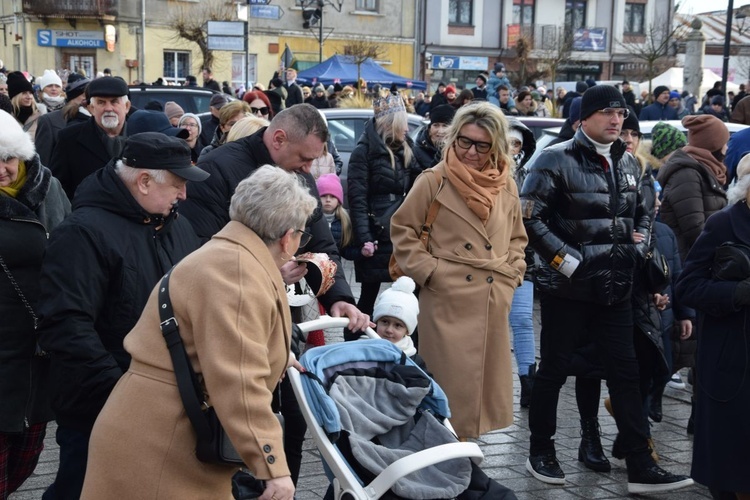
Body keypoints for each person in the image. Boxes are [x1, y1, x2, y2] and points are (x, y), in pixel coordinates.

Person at [80, 165, 313, 500]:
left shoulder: (230, 256)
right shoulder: (236, 273)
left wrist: (279, 355)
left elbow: (225, 343)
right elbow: (238, 378)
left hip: (161, 431)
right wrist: (273, 465)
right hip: (161, 444)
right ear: (288, 236)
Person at [179, 104, 369, 485]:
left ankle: (286, 488)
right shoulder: (218, 168)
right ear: (278, 139)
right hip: (233, 322)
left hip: (291, 321)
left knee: (295, 423)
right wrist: (264, 269)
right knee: (237, 428)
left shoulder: (300, 173)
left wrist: (338, 297)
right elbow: (198, 252)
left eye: (313, 161)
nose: (307, 169)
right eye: (303, 159)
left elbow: (324, 246)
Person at [520, 85, 694, 493]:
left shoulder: (631, 164)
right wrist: (567, 261)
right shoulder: (554, 159)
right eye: (608, 113)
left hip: (618, 286)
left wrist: (641, 244)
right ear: (585, 118)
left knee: (625, 374)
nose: (617, 120)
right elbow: (529, 217)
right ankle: (540, 451)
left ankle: (639, 464)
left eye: (621, 113)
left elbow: (645, 214)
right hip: (569, 290)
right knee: (554, 371)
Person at [36, 133, 208, 500]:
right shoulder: (82, 233)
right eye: (178, 184)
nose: (184, 195)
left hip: (164, 405)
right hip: (98, 410)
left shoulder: (177, 226)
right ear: (144, 182)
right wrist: (122, 396)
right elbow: (66, 326)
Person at [391, 102, 527, 439]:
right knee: (446, 389)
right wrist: (432, 272)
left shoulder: (506, 184)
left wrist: (513, 274)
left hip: (491, 296)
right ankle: (447, 448)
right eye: (463, 141)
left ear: (495, 145)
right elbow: (402, 230)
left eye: (481, 145)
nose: (469, 151)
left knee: (479, 390)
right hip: (447, 298)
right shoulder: (433, 180)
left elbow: (517, 236)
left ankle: (467, 449)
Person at [0, 110, 70, 499]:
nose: (3, 169)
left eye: (8, 158)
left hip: (39, 345)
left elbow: (69, 243)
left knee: (28, 456)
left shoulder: (48, 188)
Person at [674, 156, 750, 500]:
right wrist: (736, 292)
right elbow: (687, 287)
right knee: (729, 467)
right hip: (731, 360)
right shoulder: (723, 224)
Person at [347, 94, 418, 337]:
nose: (407, 128)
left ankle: (406, 347)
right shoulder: (363, 152)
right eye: (403, 122)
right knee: (368, 296)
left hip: (401, 230)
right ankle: (353, 343)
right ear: (390, 124)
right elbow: (357, 200)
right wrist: (365, 238)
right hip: (376, 233)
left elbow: (425, 176)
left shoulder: (406, 147)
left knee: (410, 291)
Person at [657, 115, 729, 261]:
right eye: (725, 142)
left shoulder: (705, 169)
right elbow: (695, 229)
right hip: (691, 262)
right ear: (713, 145)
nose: (727, 147)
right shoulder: (687, 174)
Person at [48, 76, 130, 200]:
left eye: (114, 102)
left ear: (127, 106)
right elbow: (58, 189)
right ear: (91, 108)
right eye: (101, 102)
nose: (108, 108)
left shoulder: (143, 136)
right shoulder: (69, 138)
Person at [506, 116, 537, 408]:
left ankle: (529, 381)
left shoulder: (530, 176)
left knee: (523, 320)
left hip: (524, 258)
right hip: (488, 261)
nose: (512, 148)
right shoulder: (484, 174)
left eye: (517, 144)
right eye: (508, 142)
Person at [34, 74, 90, 166]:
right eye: (85, 95)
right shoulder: (49, 120)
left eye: (57, 86)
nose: (89, 99)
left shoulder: (94, 118)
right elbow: (42, 160)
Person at [316, 173, 358, 261]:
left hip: (334, 267)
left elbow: (345, 251)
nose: (328, 200)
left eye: (332, 196)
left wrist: (361, 252)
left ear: (338, 200)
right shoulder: (312, 219)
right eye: (323, 196)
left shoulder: (343, 221)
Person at [413, 104, 455, 170]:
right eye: (436, 125)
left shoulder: (459, 149)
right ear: (429, 129)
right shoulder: (416, 152)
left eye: (445, 125)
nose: (440, 131)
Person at [7, 71, 43, 139]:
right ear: (15, 96)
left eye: (30, 93)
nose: (29, 96)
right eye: (24, 93)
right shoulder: (6, 117)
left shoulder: (41, 115)